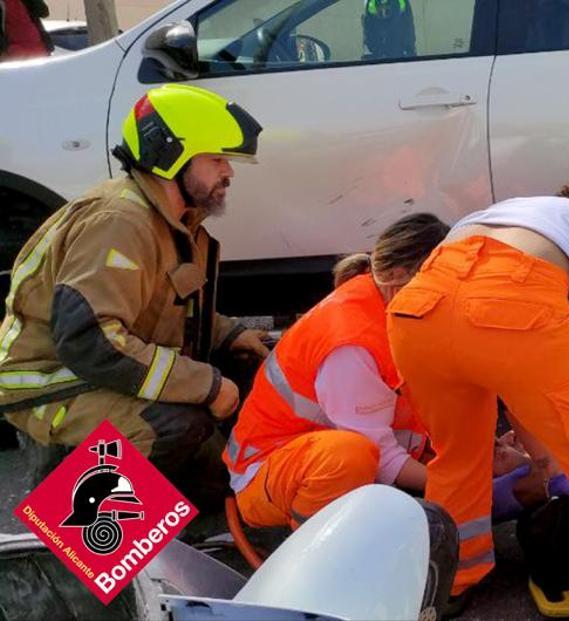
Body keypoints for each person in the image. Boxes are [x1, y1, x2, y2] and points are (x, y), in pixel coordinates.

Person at [386, 196, 569, 619]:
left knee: (458, 457)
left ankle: (453, 580)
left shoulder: (503, 219)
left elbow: (509, 374)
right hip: (515, 310)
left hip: (418, 312)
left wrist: (549, 462)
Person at [0, 84, 266, 508]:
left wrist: (228, 335)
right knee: (173, 425)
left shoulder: (171, 219)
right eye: (216, 159)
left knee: (217, 453)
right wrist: (208, 386)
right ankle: (78, 528)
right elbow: (90, 340)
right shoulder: (120, 223)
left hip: (92, 367)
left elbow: (162, 305)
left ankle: (167, 504)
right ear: (170, 157)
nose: (228, 172)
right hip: (53, 381)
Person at [225, 214, 450, 529]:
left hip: (310, 459)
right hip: (268, 476)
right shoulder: (352, 342)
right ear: (399, 277)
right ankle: (316, 550)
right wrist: (454, 483)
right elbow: (381, 456)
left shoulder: (384, 301)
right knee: (351, 456)